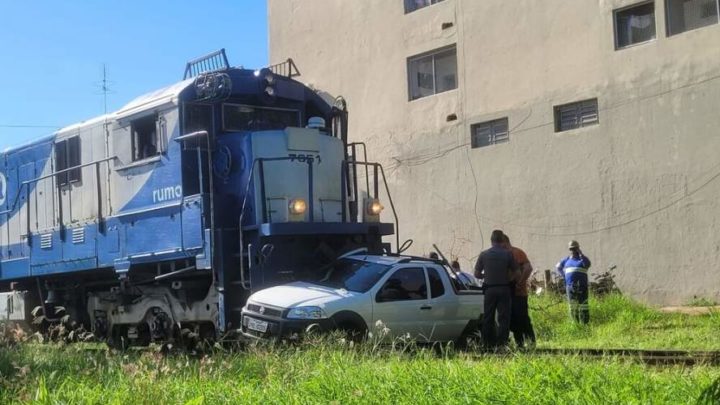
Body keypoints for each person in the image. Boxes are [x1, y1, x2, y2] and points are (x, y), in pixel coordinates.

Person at [474, 230, 519, 349]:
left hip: (489, 289)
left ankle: (487, 343)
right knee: (504, 318)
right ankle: (502, 344)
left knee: (488, 317)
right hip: (504, 288)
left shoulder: (484, 254)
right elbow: (517, 272)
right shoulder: (508, 254)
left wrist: (487, 275)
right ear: (502, 240)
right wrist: (509, 278)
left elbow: (477, 274)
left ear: (491, 240)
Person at [502, 234, 536, 348]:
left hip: (518, 292)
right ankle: (520, 344)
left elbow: (528, 268)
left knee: (521, 318)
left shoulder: (516, 253)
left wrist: (520, 282)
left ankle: (529, 342)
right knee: (515, 319)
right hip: (510, 292)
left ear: (505, 242)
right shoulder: (507, 253)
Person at [556, 240, 592, 324]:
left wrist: (581, 254)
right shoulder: (566, 259)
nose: (573, 250)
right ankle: (575, 324)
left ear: (578, 248)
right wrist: (564, 275)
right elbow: (558, 267)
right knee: (573, 306)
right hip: (570, 286)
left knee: (584, 306)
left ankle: (584, 325)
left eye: (575, 248)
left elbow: (588, 264)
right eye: (571, 249)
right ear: (569, 249)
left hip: (582, 286)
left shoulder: (582, 259)